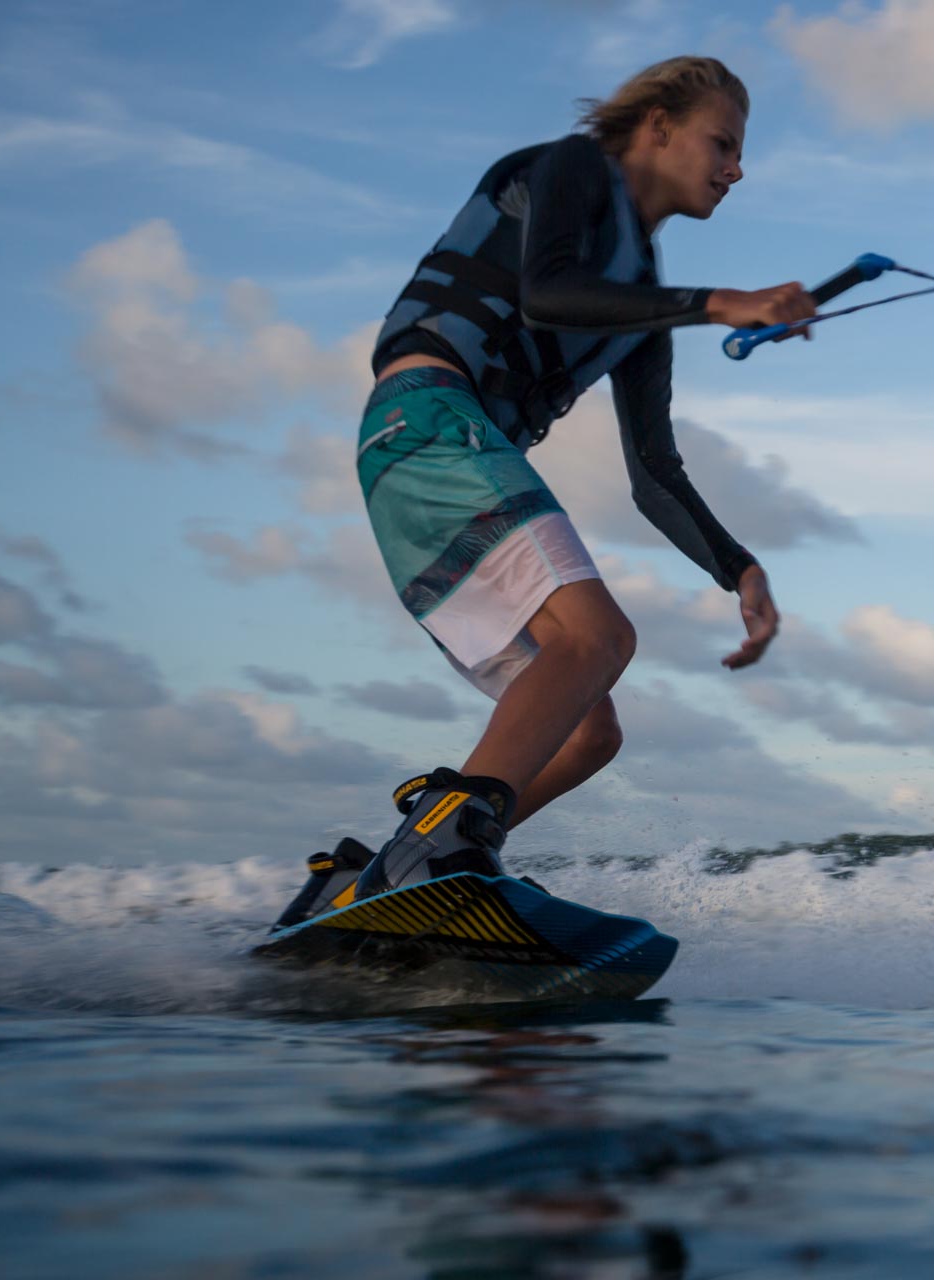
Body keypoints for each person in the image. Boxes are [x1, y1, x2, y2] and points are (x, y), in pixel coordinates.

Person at [274, 56, 815, 929]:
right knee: (599, 636)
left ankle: (381, 879)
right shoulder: (569, 169)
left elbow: (655, 476)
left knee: (589, 731)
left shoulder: (642, 299)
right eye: (724, 142)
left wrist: (738, 568)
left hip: (435, 457)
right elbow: (549, 289)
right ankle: (445, 845)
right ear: (659, 126)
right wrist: (721, 303)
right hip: (429, 420)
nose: (737, 168)